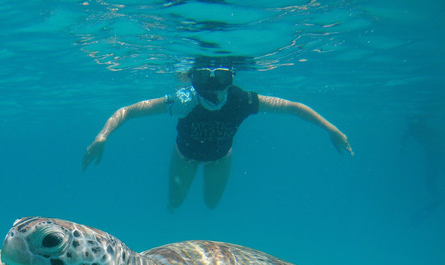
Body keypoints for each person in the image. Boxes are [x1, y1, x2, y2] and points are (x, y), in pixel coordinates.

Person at [82, 59, 354, 211]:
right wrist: (102, 136)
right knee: (174, 203)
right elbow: (128, 111)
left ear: (231, 79)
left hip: (221, 159)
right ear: (193, 81)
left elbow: (294, 108)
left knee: (212, 205)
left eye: (222, 79)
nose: (214, 88)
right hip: (183, 157)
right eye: (203, 80)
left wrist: (332, 129)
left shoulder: (243, 100)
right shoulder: (183, 100)